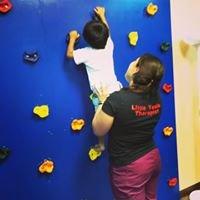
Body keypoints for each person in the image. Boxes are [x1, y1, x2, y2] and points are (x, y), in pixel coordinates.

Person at [92, 54, 164, 200]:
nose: (131, 62)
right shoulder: (156, 98)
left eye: (135, 61)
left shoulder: (117, 100)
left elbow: (98, 129)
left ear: (137, 70)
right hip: (152, 158)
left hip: (130, 167)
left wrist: (101, 103)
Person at [66, 7, 121, 151]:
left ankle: (101, 144)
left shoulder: (86, 53)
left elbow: (70, 54)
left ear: (87, 41)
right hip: (115, 89)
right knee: (118, 116)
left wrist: (72, 38)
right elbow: (107, 30)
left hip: (100, 93)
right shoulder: (109, 45)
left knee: (100, 119)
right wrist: (102, 16)